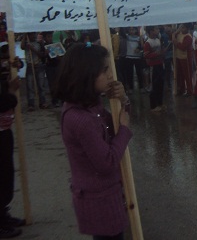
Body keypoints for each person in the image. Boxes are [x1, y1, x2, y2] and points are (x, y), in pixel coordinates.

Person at [54, 43, 132, 240]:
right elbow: (107, 162)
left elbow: (112, 124)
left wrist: (123, 100)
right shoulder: (80, 119)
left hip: (108, 195)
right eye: (104, 70)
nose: (110, 75)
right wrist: (124, 130)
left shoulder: (90, 105)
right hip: (99, 201)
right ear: (86, 74)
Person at [0, 46, 25, 238]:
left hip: (3, 130)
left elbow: (15, 65)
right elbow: (3, 102)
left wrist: (13, 65)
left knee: (6, 173)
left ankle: (3, 214)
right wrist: (10, 92)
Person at [143, 26, 166, 112]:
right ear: (151, 31)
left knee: (160, 85)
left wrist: (162, 52)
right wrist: (157, 54)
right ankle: (153, 106)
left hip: (160, 64)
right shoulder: (147, 43)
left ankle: (160, 103)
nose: (158, 30)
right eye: (156, 29)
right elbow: (146, 55)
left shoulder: (158, 40)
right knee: (154, 86)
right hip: (153, 66)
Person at [173, 24, 193, 96]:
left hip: (186, 58)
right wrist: (175, 33)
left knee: (187, 75)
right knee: (180, 75)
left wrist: (176, 43)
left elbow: (183, 47)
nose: (182, 29)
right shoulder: (179, 34)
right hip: (178, 57)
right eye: (181, 27)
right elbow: (173, 37)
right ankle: (181, 89)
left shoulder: (188, 37)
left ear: (187, 28)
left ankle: (189, 90)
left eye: (183, 28)